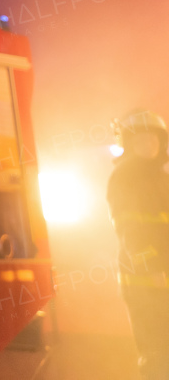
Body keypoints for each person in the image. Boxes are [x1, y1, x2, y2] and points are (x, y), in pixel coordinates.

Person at [108, 108, 169, 379]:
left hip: (162, 275)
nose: (150, 144)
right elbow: (129, 229)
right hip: (145, 280)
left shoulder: (161, 178)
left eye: (154, 139)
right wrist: (151, 266)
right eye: (142, 139)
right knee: (156, 353)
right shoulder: (124, 177)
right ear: (129, 144)